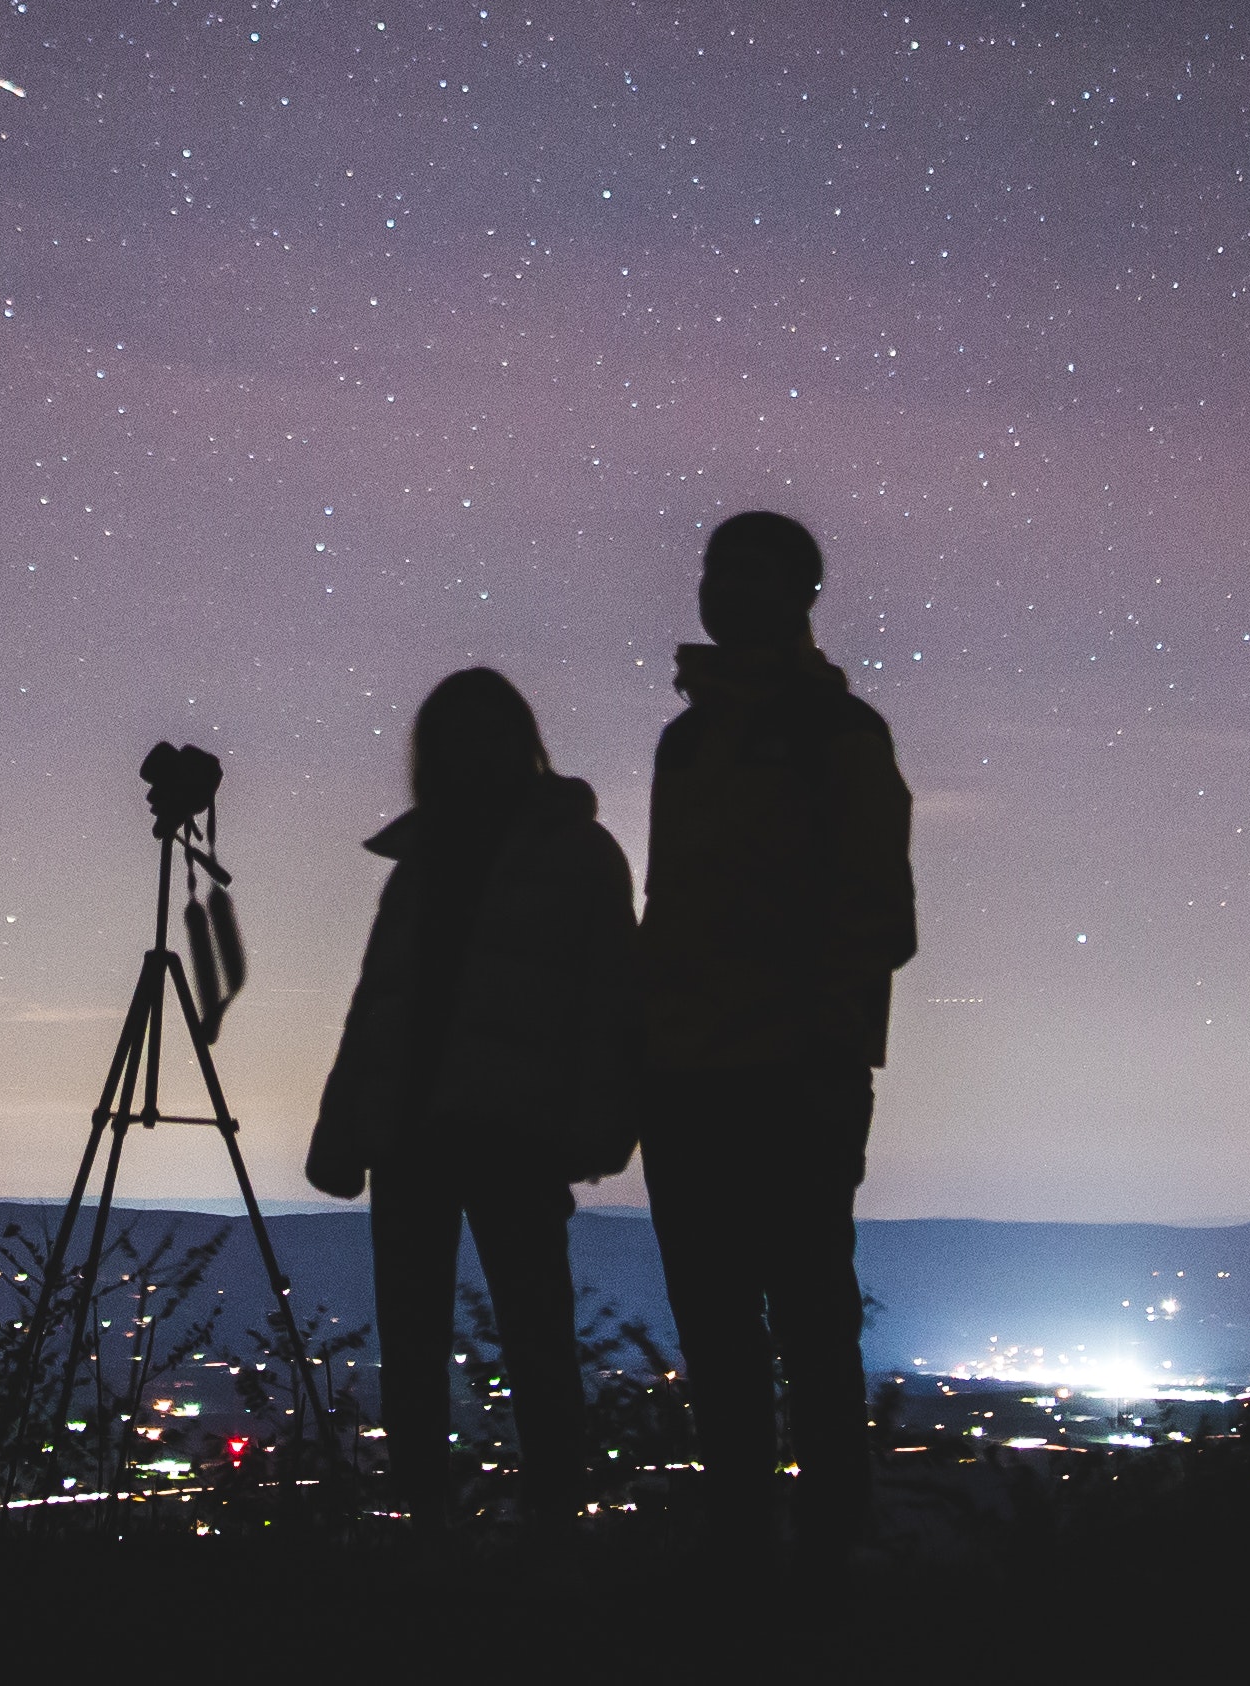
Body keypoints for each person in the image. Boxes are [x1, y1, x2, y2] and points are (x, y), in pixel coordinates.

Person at [635, 509, 915, 1554]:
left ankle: (828, 1554)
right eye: (715, 571)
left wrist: (813, 1038)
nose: (722, 591)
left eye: (748, 576)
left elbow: (879, 914)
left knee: (804, 1317)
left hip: (791, 1072)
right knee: (717, 1325)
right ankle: (747, 1550)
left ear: (801, 596)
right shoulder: (691, 739)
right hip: (688, 1074)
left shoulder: (839, 735)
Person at [304, 666, 637, 1523]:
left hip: (511, 1130)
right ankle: (431, 1527)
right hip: (413, 1130)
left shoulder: (574, 855)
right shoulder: (422, 863)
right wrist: (346, 1126)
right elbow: (377, 1002)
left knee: (534, 1335)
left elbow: (611, 999)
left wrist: (596, 1124)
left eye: (485, 736)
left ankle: (551, 1526)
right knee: (416, 1344)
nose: (470, 755)